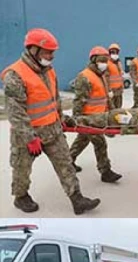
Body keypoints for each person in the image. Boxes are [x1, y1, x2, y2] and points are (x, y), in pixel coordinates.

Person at [1, 28, 100, 215]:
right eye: (48, 52)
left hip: (52, 131)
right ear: (33, 50)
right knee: (22, 169)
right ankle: (20, 197)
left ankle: (77, 199)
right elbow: (15, 112)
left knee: (66, 164)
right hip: (27, 135)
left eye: (53, 52)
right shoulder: (15, 75)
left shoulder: (49, 71)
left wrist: (60, 119)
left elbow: (54, 100)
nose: (51, 56)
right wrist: (30, 138)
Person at [69, 46, 123, 183]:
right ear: (94, 60)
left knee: (82, 141)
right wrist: (77, 119)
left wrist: (113, 111)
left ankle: (69, 160)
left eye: (106, 60)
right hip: (89, 118)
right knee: (100, 144)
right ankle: (105, 172)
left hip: (100, 116)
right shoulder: (85, 77)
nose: (105, 63)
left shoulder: (101, 76)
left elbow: (105, 97)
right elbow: (79, 100)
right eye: (102, 60)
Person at [107, 43, 125, 109]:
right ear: (109, 53)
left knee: (119, 107)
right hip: (112, 91)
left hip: (119, 90)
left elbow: (120, 77)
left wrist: (122, 87)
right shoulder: (107, 63)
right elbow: (105, 78)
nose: (115, 54)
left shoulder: (118, 63)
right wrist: (109, 90)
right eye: (112, 52)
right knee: (112, 109)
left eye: (116, 52)